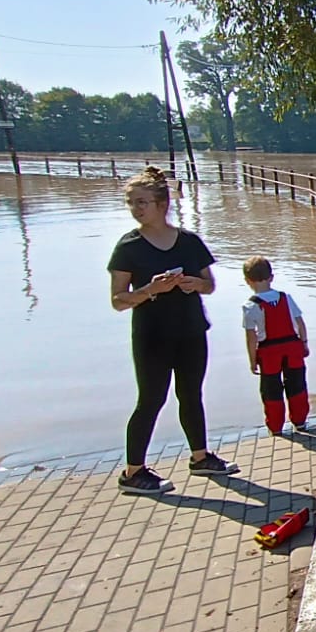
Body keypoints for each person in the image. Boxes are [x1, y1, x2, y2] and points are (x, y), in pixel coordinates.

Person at [107, 167, 238, 495]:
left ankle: (200, 457)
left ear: (163, 203)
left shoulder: (189, 242)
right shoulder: (129, 246)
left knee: (191, 394)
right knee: (151, 399)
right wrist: (151, 290)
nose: (136, 209)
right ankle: (133, 471)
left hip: (191, 331)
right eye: (131, 203)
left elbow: (210, 285)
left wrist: (196, 284)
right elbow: (118, 301)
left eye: (142, 202)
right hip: (152, 335)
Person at [241, 256, 310, 435]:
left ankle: (276, 427)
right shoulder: (285, 298)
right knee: (297, 385)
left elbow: (251, 337)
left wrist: (252, 360)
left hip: (268, 352)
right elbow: (300, 323)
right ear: (271, 277)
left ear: (247, 281)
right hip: (292, 347)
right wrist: (304, 343)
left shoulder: (250, 306)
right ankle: (300, 421)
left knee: (271, 390)